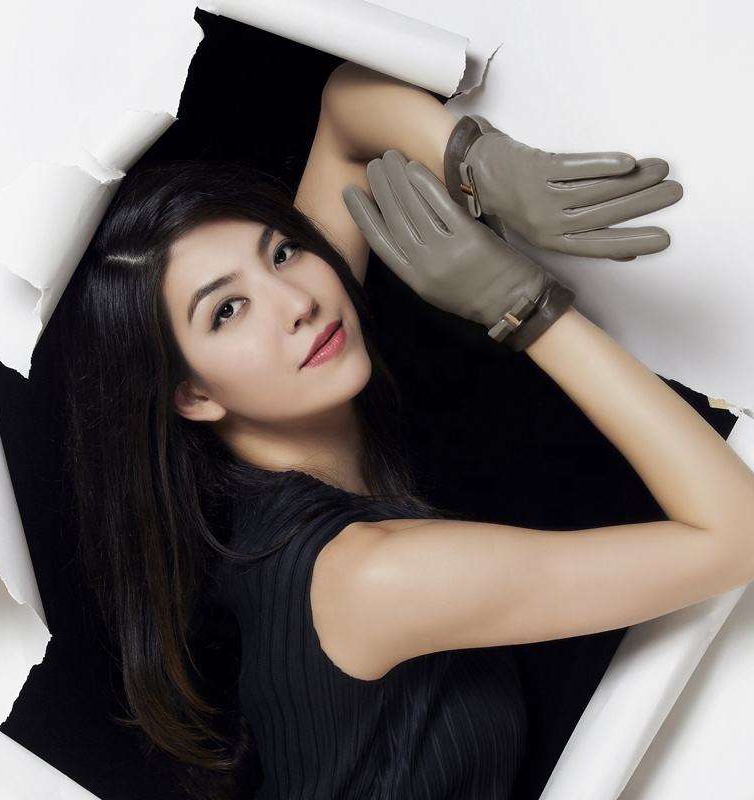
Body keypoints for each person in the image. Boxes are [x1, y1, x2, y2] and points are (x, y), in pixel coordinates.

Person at [59, 61, 754, 799]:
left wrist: (479, 164)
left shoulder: (274, 441)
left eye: (282, 251)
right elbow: (736, 534)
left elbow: (346, 112)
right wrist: (522, 306)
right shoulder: (373, 577)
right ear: (193, 394)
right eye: (226, 311)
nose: (295, 301)